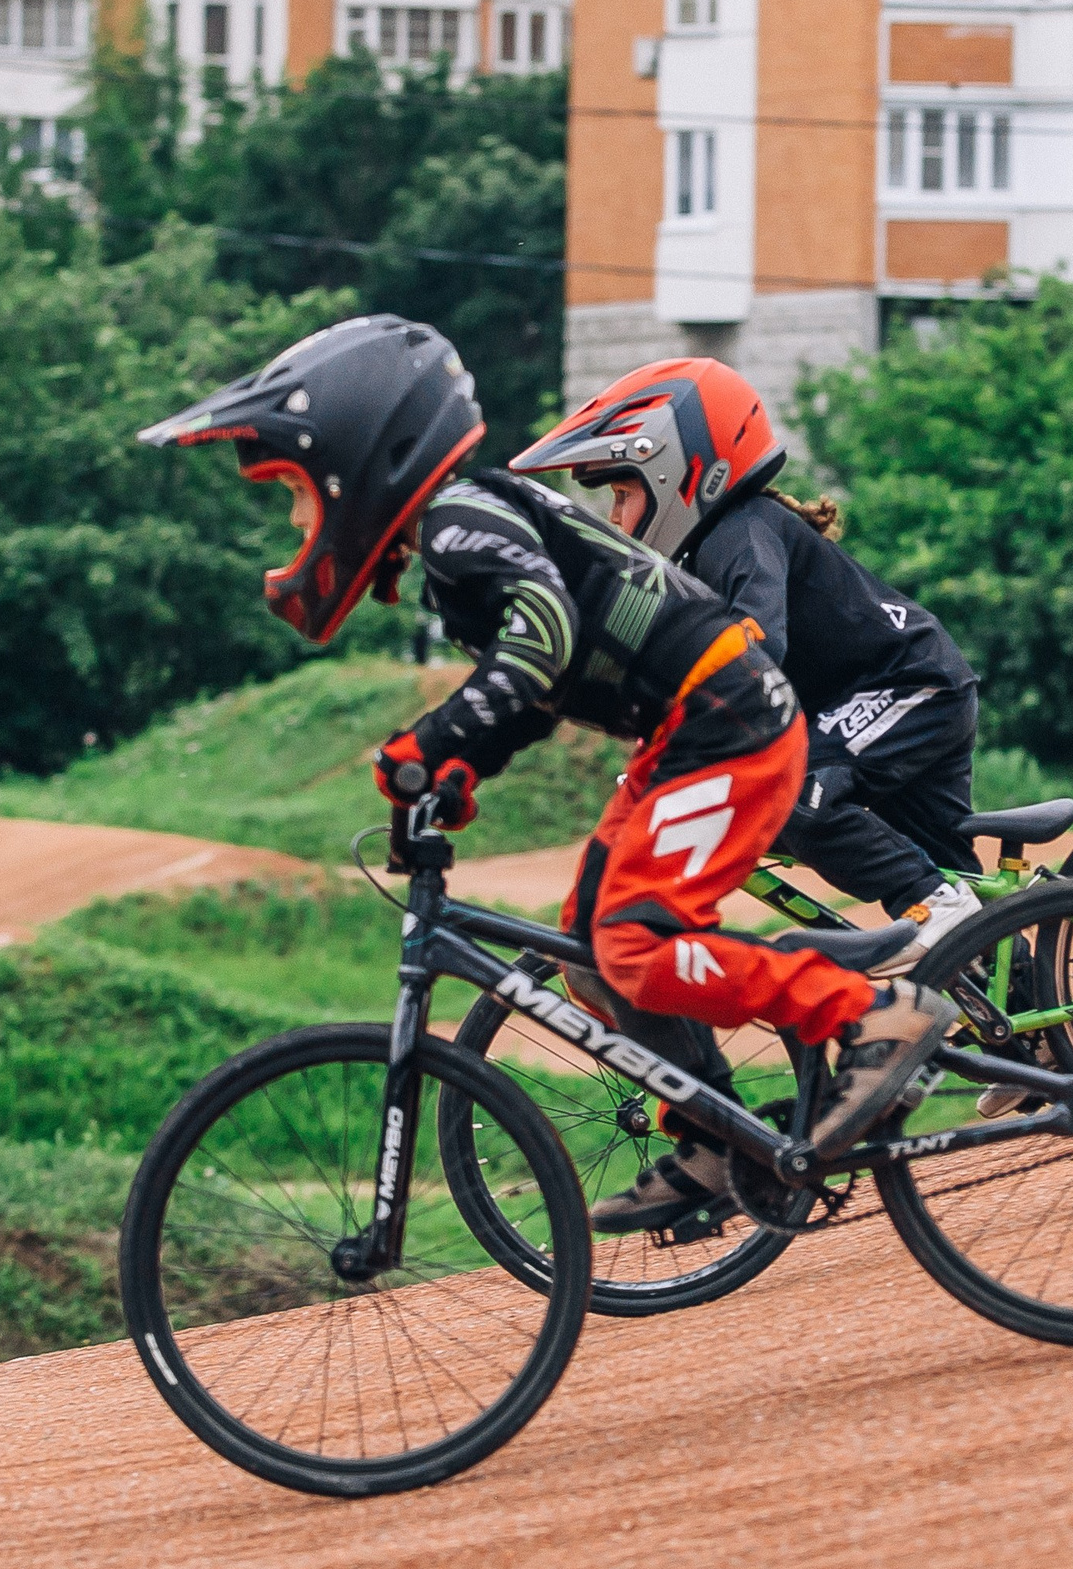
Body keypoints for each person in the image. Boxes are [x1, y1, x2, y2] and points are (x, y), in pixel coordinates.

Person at [139, 314, 957, 1233]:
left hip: (726, 721)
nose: (298, 521)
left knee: (634, 941)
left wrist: (433, 743)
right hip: (687, 728)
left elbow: (543, 638)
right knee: (589, 955)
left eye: (298, 491)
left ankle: (872, 1014)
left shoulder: (460, 523)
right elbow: (538, 687)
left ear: (360, 466)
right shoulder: (461, 533)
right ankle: (711, 1130)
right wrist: (461, 765)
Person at [509, 361, 985, 963]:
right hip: (901, 690)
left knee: (791, 796)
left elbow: (756, 649)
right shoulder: (707, 551)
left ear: (677, 477)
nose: (614, 517)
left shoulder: (741, 531)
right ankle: (1019, 1000)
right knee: (966, 916)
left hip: (909, 686)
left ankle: (931, 903)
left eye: (622, 494)